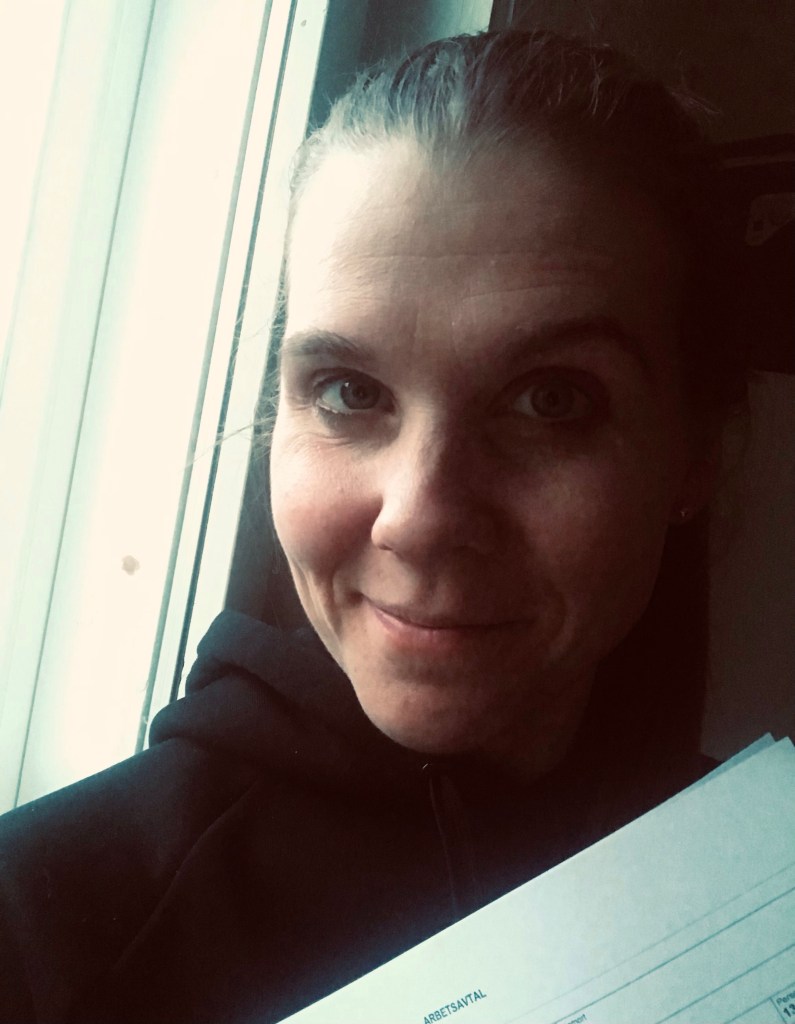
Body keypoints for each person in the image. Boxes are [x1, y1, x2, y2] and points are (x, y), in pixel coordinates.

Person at [0, 29, 747, 1024]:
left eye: (552, 401)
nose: (419, 518)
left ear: (697, 452)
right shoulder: (41, 932)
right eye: (349, 391)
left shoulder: (757, 868)